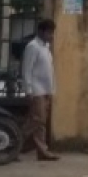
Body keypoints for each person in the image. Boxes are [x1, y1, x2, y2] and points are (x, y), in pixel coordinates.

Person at [21, 19, 60, 161]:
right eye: (49, 32)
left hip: (46, 89)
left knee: (41, 122)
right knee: (38, 119)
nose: (51, 35)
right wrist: (28, 89)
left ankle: (42, 151)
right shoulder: (33, 47)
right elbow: (27, 69)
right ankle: (17, 141)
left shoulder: (45, 47)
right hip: (36, 89)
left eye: (52, 32)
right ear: (41, 32)